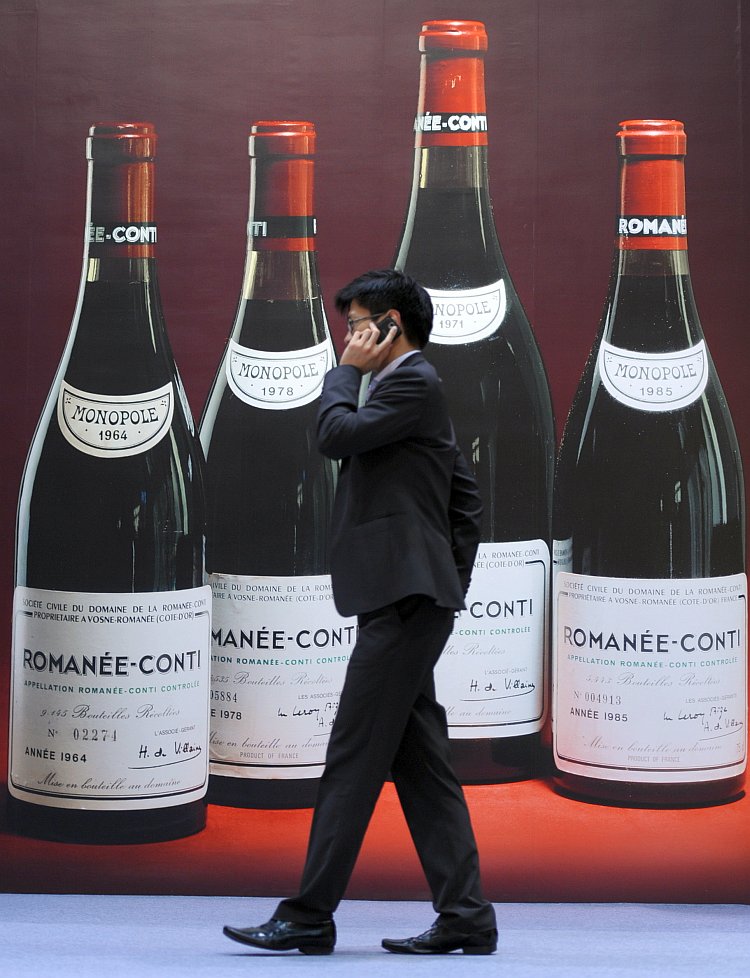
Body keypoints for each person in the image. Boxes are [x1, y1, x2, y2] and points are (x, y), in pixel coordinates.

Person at [223, 269, 497, 956]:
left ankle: (309, 913)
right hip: (412, 597)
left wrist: (344, 372)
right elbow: (467, 502)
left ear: (391, 327)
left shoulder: (410, 383)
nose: (348, 338)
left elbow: (333, 435)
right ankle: (466, 918)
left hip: (404, 602)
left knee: (352, 756)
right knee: (423, 766)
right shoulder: (415, 396)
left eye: (356, 325)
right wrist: (442, 583)